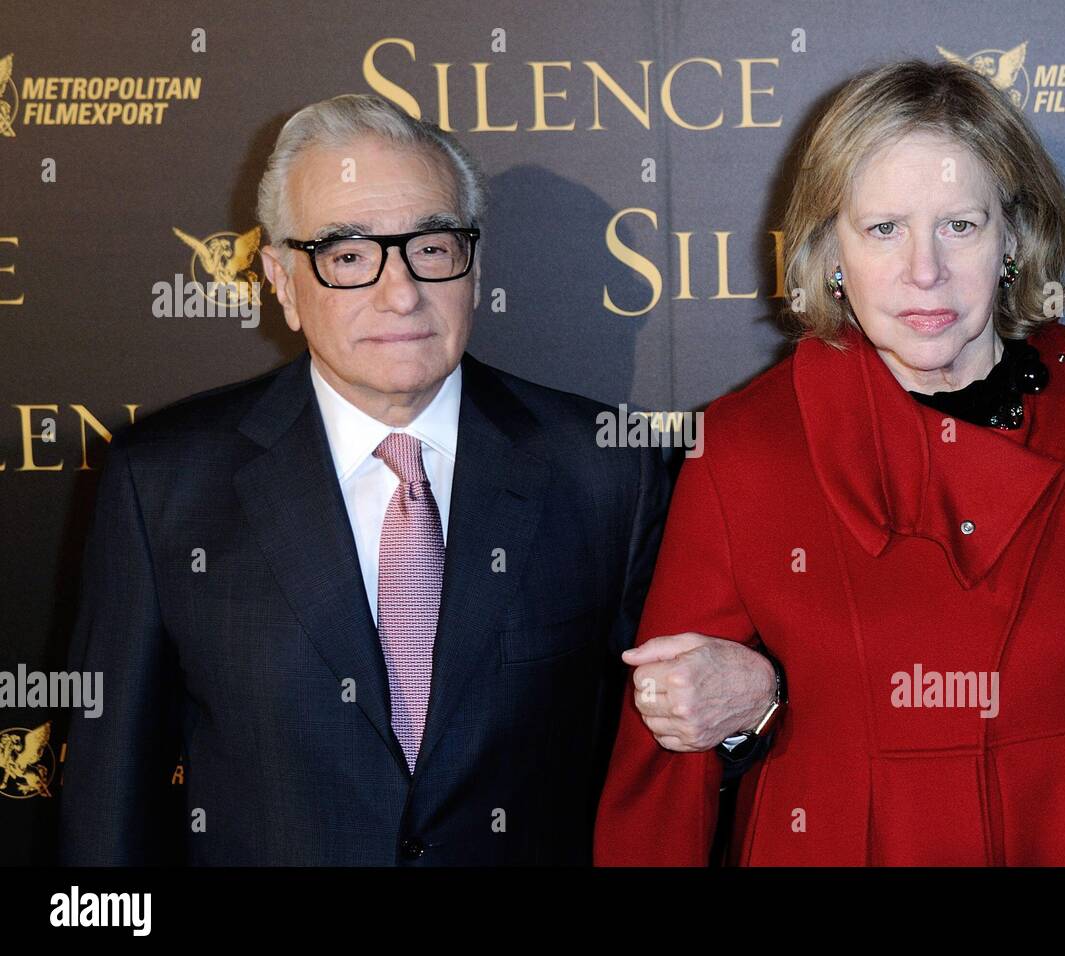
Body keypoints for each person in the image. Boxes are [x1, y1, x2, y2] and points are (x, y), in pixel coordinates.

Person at [594, 59, 1065, 866]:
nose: (923, 270)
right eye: (883, 228)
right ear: (830, 249)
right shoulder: (743, 448)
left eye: (959, 226)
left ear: (1013, 238)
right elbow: (663, 765)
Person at [57, 93, 776, 866]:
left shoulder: (605, 468)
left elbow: (680, 754)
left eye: (431, 248)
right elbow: (108, 800)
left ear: (474, 266)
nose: (400, 293)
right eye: (348, 254)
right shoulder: (163, 482)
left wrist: (750, 707)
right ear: (281, 280)